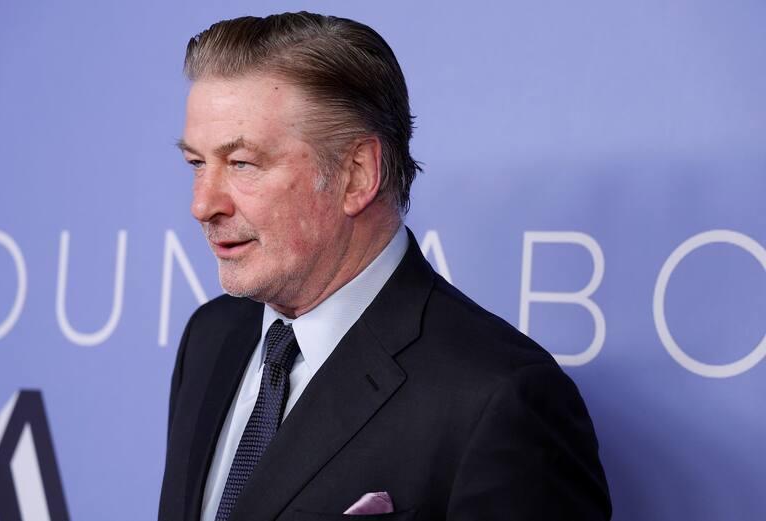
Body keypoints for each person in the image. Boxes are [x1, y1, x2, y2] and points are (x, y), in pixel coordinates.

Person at [159, 11, 611, 521]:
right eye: (197, 164)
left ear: (357, 175)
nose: (203, 204)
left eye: (242, 164)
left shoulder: (498, 400)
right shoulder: (211, 337)